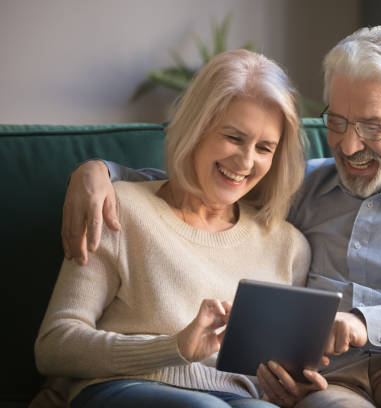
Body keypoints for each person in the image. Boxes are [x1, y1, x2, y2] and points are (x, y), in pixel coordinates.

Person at [61, 26, 381, 408]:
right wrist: (99, 172)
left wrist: (364, 323)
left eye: (372, 127)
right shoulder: (301, 187)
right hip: (327, 381)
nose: (349, 146)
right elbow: (200, 185)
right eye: (337, 122)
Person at [34, 49, 313, 408]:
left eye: (264, 147)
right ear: (196, 128)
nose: (245, 161)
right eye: (233, 137)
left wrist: (291, 389)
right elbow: (54, 344)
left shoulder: (289, 247)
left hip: (236, 398)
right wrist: (174, 348)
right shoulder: (120, 208)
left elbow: (276, 375)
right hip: (123, 388)